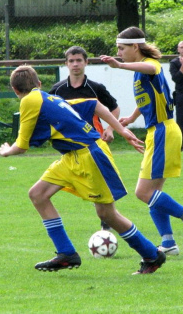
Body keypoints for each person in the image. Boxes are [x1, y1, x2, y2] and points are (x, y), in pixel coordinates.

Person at [0, 65, 166, 274]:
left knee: (107, 213)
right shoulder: (49, 99)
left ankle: (152, 254)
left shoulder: (30, 101)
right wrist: (121, 130)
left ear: (15, 89)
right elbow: (94, 104)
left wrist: (7, 151)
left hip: (90, 155)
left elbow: (21, 147)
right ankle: (66, 254)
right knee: (38, 194)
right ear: (39, 84)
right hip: (71, 156)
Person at [100, 27, 183, 257]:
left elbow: (153, 67)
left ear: (135, 47)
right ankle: (167, 242)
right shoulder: (139, 73)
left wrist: (120, 65)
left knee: (143, 192)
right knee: (154, 191)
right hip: (157, 131)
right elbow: (149, 97)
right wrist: (133, 117)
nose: (119, 53)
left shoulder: (149, 64)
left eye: (122, 48)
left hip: (163, 131)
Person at [49, 46, 121, 232]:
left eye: (79, 60)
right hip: (71, 149)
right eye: (71, 61)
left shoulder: (95, 88)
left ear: (86, 62)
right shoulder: (57, 90)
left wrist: (110, 129)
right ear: (66, 64)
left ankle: (107, 224)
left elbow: (114, 109)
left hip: (94, 145)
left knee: (101, 187)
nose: (75, 64)